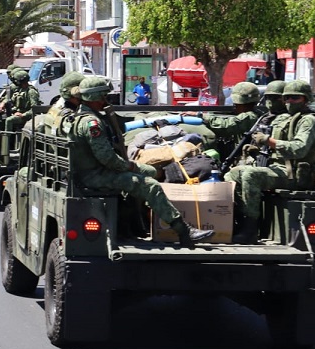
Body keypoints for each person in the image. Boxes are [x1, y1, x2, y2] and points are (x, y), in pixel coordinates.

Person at [66, 76, 215, 247]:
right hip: (95, 175)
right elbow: (107, 158)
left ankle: (131, 226)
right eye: (104, 96)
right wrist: (130, 166)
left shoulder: (83, 116)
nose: (106, 99)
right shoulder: (91, 123)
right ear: (96, 97)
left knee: (150, 171)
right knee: (150, 184)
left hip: (94, 171)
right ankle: (184, 230)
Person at [225, 80, 315, 243]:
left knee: (251, 175)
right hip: (279, 168)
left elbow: (299, 149)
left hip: (294, 175)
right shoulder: (286, 118)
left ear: (306, 99)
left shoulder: (309, 121)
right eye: (287, 98)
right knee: (233, 174)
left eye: (295, 98)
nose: (290, 102)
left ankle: (251, 230)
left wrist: (268, 141)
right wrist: (257, 149)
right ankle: (240, 220)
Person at [183, 81, 262, 143]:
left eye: (237, 103)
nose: (234, 105)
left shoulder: (251, 116)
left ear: (244, 102)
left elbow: (226, 125)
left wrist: (200, 116)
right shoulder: (250, 114)